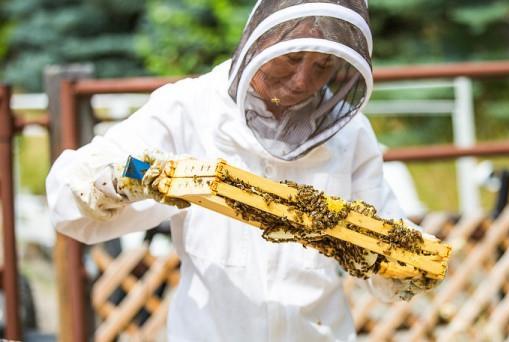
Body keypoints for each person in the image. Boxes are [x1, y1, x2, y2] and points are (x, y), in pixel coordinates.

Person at [46, 1, 430, 340]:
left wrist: (406, 261)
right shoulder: (187, 109)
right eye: (293, 57)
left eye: (323, 65)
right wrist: (123, 178)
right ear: (260, 40)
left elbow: (384, 235)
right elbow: (67, 198)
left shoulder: (349, 132)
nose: (303, 81)